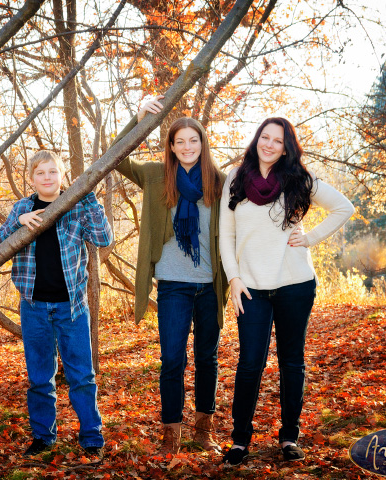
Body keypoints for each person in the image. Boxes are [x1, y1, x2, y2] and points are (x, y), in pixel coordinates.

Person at [219, 118, 354, 465]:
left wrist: (310, 238)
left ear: (286, 147)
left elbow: (344, 207)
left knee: (291, 362)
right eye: (265, 137)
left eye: (277, 141)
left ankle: (289, 437)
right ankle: (240, 441)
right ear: (257, 139)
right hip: (251, 289)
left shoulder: (299, 180)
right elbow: (226, 234)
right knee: (250, 364)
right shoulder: (236, 179)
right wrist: (233, 278)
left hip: (294, 285)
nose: (269, 144)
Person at [112, 96, 229, 454]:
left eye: (193, 140)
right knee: (172, 360)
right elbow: (116, 156)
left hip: (210, 285)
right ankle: (171, 434)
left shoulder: (220, 182)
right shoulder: (155, 175)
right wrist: (138, 118)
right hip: (173, 286)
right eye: (179, 141)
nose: (187, 146)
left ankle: (203, 430)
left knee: (207, 358)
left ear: (202, 143)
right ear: (171, 146)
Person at [0, 150, 112, 457]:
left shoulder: (76, 203)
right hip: (34, 307)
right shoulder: (23, 207)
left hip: (71, 307)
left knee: (81, 375)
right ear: (32, 179)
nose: (47, 178)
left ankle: (91, 437)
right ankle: (43, 437)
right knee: (39, 378)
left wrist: (90, 199)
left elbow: (103, 239)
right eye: (40, 173)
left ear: (62, 176)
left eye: (53, 172)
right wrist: (18, 222)